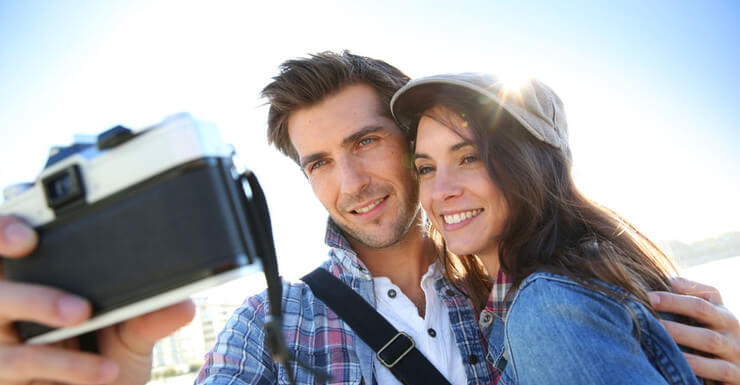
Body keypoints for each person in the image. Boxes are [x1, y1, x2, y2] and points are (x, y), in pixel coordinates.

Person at [0, 52, 737, 384]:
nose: (349, 182)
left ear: (410, 142)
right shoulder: (270, 326)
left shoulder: (509, 297)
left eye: (365, 143)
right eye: (319, 162)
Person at [390, 72, 740, 384]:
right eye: (426, 168)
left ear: (533, 165)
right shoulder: (573, 278)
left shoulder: (547, 311)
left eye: (469, 158)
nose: (441, 191)